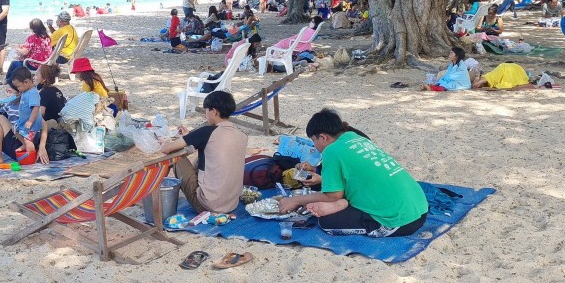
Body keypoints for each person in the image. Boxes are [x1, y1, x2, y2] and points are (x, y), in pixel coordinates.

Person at [278, 109, 428, 237]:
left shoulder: (331, 150)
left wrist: (294, 201)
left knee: (326, 223)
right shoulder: (356, 137)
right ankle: (341, 204)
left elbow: (333, 195)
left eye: (314, 141)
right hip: (420, 209)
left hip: (399, 222)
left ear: (323, 137)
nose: (315, 147)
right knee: (333, 195)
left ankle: (341, 205)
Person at [160, 90, 247, 214]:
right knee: (202, 157)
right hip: (232, 204)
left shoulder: (207, 132)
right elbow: (211, 146)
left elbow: (167, 149)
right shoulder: (242, 135)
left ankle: (154, 191)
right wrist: (189, 137)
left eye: (206, 110)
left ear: (214, 111)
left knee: (175, 156)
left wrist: (164, 143)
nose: (206, 114)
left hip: (207, 206)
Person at [0, 66, 49, 164]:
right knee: (1, 119)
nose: (8, 95)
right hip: (16, 138)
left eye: (10, 91)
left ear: (20, 92)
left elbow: (43, 124)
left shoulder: (27, 104)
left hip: (22, 144)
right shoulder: (10, 104)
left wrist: (42, 147)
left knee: (1, 119)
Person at [4, 18, 53, 87]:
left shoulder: (33, 37)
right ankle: (9, 80)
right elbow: (36, 47)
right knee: (17, 64)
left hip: (34, 64)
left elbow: (24, 52)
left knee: (14, 63)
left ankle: (8, 80)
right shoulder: (47, 37)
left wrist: (17, 48)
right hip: (45, 62)